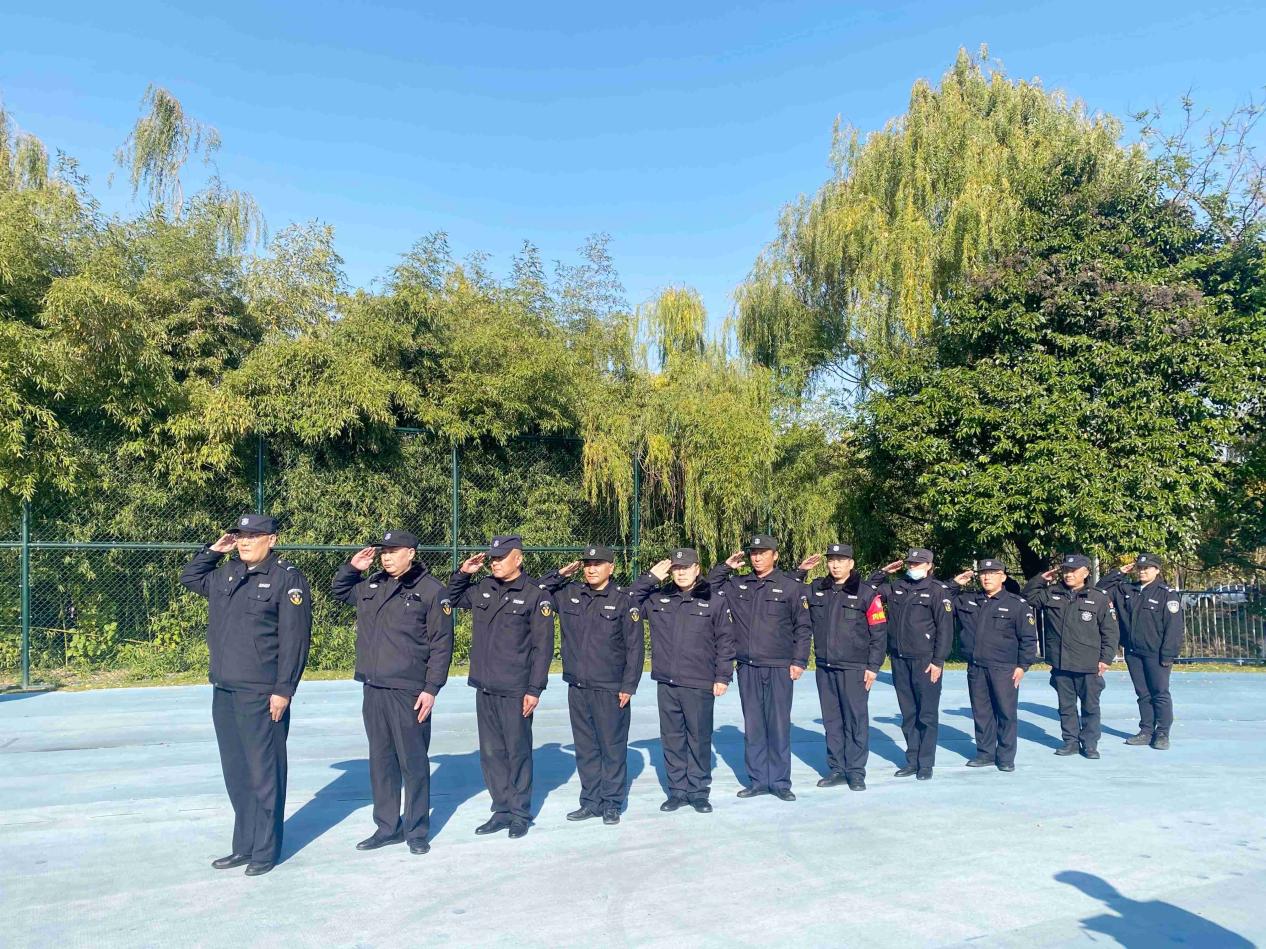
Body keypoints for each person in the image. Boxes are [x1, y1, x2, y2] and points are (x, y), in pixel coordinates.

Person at [179, 513, 312, 876]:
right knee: (237, 774)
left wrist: (284, 689)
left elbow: (295, 640)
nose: (245, 541)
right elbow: (189, 577)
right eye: (240, 535)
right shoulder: (227, 573)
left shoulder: (286, 579)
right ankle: (244, 846)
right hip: (225, 689)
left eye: (254, 535)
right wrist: (213, 551)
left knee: (264, 773)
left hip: (262, 692)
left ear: (272, 539)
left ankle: (265, 851)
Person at [331, 529, 453, 855]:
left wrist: (431, 688)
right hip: (374, 688)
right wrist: (352, 568)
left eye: (393, 551)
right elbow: (339, 591)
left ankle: (416, 830)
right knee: (381, 762)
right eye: (383, 552)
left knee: (413, 763)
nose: (386, 557)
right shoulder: (372, 584)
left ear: (410, 553)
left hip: (409, 690)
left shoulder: (431, 590)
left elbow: (442, 644)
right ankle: (387, 827)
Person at [447, 535, 555, 839]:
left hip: (516, 688)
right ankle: (502, 809)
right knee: (491, 753)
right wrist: (463, 573)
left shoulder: (535, 595)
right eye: (492, 558)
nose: (494, 562)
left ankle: (520, 813)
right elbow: (450, 598)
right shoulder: (484, 588)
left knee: (517, 752)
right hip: (485, 685)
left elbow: (543, 647)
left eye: (500, 557)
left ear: (517, 559)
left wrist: (534, 689)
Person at [537, 545, 644, 824]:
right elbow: (537, 590)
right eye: (587, 564)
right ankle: (590, 801)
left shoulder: (624, 600)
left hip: (611, 687)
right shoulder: (570, 593)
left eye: (598, 564)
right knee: (585, 748)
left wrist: (629, 685)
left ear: (611, 567)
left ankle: (611, 803)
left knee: (612, 747)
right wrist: (560, 574)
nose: (591, 569)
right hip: (578, 686)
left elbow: (635, 647)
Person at [628, 548, 734, 813]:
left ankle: (698, 791)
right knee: (672, 738)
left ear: (697, 569)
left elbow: (725, 641)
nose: (681, 573)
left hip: (699, 681)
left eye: (686, 568)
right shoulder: (658, 598)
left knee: (699, 738)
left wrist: (723, 676)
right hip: (667, 681)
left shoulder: (714, 600)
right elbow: (627, 600)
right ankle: (677, 791)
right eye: (676, 568)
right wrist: (650, 578)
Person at [707, 535, 811, 800]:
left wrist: (799, 660)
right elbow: (708, 587)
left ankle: (780, 782)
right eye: (753, 553)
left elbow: (802, 627)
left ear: (775, 555)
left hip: (779, 667)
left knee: (778, 725)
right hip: (748, 667)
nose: (757, 557)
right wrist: (725, 567)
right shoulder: (738, 585)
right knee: (753, 725)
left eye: (763, 553)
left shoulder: (790, 587)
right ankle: (757, 781)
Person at [794, 544, 886, 790]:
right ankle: (837, 768)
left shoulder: (866, 593)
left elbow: (879, 633)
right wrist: (801, 571)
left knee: (855, 720)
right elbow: (791, 591)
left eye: (841, 560)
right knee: (832, 721)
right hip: (825, 667)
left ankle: (855, 771)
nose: (835, 565)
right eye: (831, 560)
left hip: (855, 668)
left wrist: (873, 666)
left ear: (851, 564)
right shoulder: (817, 589)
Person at [1023, 553, 1120, 759]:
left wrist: (1106, 659)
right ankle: (1070, 742)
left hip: (1089, 663)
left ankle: (1090, 744)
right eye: (1066, 570)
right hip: (1061, 662)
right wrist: (1040, 580)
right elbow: (1028, 597)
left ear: (1085, 573)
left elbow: (1110, 632)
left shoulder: (1098, 597)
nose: (1069, 574)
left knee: (1090, 707)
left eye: (1073, 571)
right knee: (1066, 707)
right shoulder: (1052, 593)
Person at [868, 548, 954, 780]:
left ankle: (925, 763)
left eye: (918, 563)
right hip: (900, 659)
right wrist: (882, 573)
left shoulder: (937, 591)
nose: (913, 567)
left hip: (926, 660)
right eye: (911, 563)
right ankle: (912, 760)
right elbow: (868, 590)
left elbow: (945, 629)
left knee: (926, 714)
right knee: (908, 714)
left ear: (929, 566)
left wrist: (938, 661)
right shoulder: (897, 586)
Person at [949, 559, 1037, 772]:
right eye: (983, 573)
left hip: (1004, 668)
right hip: (976, 666)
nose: (987, 577)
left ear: (1003, 577)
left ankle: (1006, 756)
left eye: (993, 573)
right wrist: (955, 584)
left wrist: (1022, 666)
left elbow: (1028, 638)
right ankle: (985, 753)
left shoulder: (1017, 604)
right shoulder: (969, 600)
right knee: (981, 712)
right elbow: (942, 599)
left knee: (1006, 712)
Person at [1097, 553, 1183, 750]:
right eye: (1140, 568)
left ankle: (1162, 733)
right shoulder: (1128, 590)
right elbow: (1100, 590)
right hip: (1133, 651)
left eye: (1147, 568)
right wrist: (1118, 573)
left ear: (1157, 570)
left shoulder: (1166, 594)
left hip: (1156, 652)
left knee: (1159, 693)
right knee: (1142, 693)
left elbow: (1174, 627)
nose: (1143, 571)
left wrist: (1168, 654)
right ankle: (1146, 731)